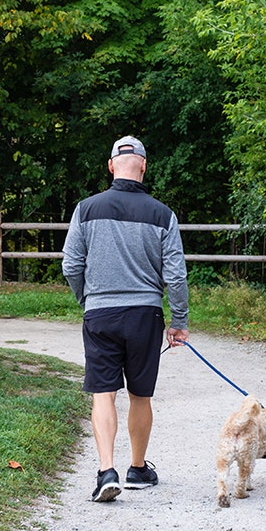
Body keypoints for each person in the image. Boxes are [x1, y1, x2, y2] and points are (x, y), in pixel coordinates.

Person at [61, 135, 190, 502]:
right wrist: (177, 320)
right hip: (145, 316)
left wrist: (87, 297)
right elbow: (176, 275)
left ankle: (106, 472)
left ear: (111, 165)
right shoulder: (163, 215)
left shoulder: (86, 209)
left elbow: (71, 264)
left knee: (103, 393)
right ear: (144, 167)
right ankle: (137, 469)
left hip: (100, 313)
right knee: (140, 394)